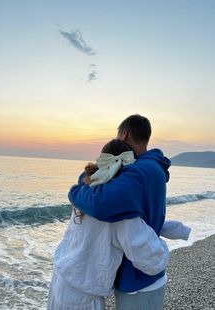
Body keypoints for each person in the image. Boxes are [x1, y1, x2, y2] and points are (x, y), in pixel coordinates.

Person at [48, 138, 190, 310]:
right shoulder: (117, 210)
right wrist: (162, 245)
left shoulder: (88, 190)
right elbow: (150, 259)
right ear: (127, 167)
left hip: (61, 277)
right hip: (83, 295)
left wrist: (164, 227)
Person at [68, 114, 172, 309]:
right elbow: (102, 174)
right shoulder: (149, 167)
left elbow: (100, 203)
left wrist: (74, 191)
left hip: (140, 278)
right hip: (142, 271)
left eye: (117, 135)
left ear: (124, 134)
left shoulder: (139, 171)